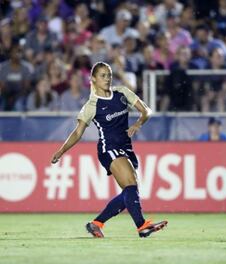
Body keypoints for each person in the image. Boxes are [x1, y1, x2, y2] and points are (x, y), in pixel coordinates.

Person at [51, 62, 167, 238]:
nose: (107, 79)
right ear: (93, 79)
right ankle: (142, 226)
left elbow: (147, 111)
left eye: (109, 75)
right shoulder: (92, 105)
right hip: (108, 148)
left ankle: (96, 223)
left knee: (129, 192)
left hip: (126, 147)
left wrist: (138, 123)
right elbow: (78, 133)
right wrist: (61, 151)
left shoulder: (122, 92)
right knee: (131, 185)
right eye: (103, 76)